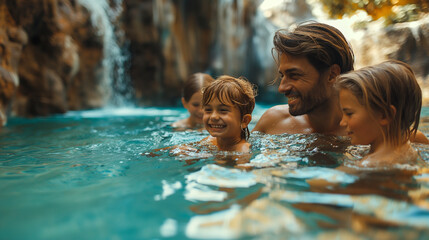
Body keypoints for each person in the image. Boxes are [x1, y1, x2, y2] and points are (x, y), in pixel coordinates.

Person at [252, 21, 428, 143]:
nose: (282, 87)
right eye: (282, 75)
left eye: (295, 75)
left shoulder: (390, 138)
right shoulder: (272, 123)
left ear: (332, 74)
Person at [336, 60, 424, 167]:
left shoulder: (370, 165)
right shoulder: (406, 144)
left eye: (349, 114)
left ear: (384, 115)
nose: (342, 122)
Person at [200, 75, 256, 152]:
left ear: (244, 121)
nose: (213, 116)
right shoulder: (210, 141)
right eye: (208, 110)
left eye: (223, 110)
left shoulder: (243, 150)